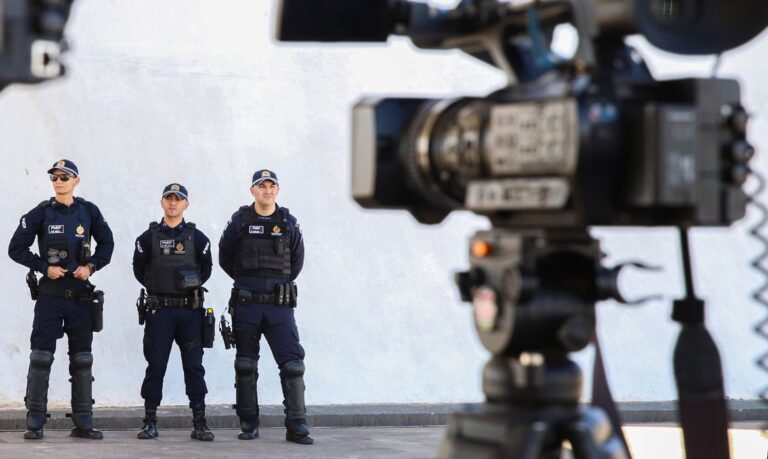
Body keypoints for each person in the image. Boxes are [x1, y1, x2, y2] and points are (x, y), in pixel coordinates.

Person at [8, 159, 114, 440]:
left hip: (80, 298)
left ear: (76, 181)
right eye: (54, 177)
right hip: (50, 297)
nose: (59, 182)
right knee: (41, 357)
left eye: (64, 177)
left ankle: (83, 421)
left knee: (82, 359)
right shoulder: (41, 213)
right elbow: (15, 248)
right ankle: (35, 422)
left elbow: (108, 244)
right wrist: (44, 267)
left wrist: (90, 267)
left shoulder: (89, 212)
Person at [219, 169, 312, 444]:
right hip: (247, 305)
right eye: (262, 186)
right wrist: (248, 282)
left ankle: (297, 425)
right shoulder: (239, 221)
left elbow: (296, 263)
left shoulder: (288, 223)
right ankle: (249, 424)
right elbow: (225, 258)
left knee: (293, 365)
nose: (267, 190)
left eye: (272, 186)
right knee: (246, 364)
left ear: (277, 191)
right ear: (253, 191)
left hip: (279, 307)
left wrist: (274, 285)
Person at [132, 183, 215, 441]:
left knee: (194, 366)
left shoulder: (198, 238)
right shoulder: (147, 238)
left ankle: (200, 423)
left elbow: (206, 270)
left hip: (189, 313)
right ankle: (149, 422)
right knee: (156, 366)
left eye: (178, 199)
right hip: (160, 313)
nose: (172, 203)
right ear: (162, 202)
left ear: (186, 204)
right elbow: (139, 270)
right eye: (168, 198)